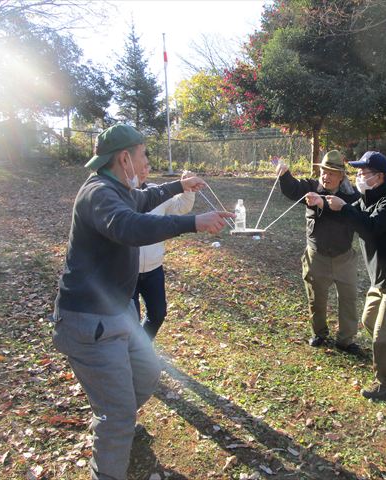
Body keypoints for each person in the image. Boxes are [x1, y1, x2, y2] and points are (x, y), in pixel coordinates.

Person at [51, 123, 233, 480]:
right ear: (124, 158)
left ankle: (111, 422)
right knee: (118, 416)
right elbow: (129, 227)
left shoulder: (119, 188)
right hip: (88, 323)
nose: (147, 161)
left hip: (118, 315)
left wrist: (180, 186)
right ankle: (113, 434)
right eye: (143, 154)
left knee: (148, 374)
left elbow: (145, 199)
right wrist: (193, 222)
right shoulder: (99, 194)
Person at [306, 151, 386, 400]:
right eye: (358, 172)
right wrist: (324, 202)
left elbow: (370, 227)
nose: (358, 176)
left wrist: (343, 209)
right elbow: (350, 212)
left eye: (363, 173)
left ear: (379, 176)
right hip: (380, 278)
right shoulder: (369, 197)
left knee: (382, 338)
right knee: (370, 322)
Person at [276, 150, 362, 353]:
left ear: (342, 176)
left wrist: (323, 203)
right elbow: (292, 189)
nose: (326, 176)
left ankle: (346, 340)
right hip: (316, 257)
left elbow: (352, 216)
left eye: (332, 173)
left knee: (348, 300)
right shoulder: (312, 187)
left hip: (344, 258)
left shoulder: (352, 196)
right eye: (324, 171)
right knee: (316, 299)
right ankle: (319, 333)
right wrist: (284, 173)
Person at [133, 163, 196, 340]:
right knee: (131, 320)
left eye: (147, 166)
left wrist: (187, 188)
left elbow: (180, 207)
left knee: (158, 314)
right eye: (140, 165)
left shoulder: (156, 191)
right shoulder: (120, 197)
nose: (144, 170)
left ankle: (142, 348)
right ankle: (134, 354)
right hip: (126, 271)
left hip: (154, 269)